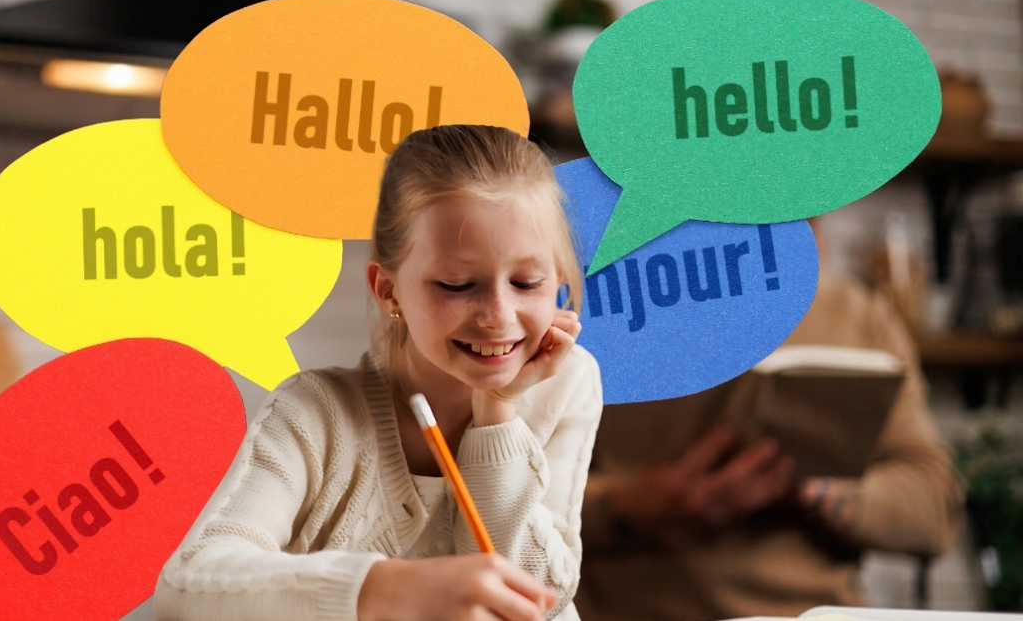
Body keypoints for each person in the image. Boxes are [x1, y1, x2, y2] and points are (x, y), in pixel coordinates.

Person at [155, 125, 603, 621]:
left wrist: (496, 410)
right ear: (389, 291)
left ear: (558, 283)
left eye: (526, 282)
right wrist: (380, 588)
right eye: (456, 284)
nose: (497, 315)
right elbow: (187, 584)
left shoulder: (567, 382)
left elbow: (543, 596)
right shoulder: (316, 413)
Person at [575, 219, 966, 621]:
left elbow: (935, 509)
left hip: (812, 614)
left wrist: (820, 490)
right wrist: (632, 504)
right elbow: (514, 496)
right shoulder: (599, 312)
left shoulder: (859, 317)